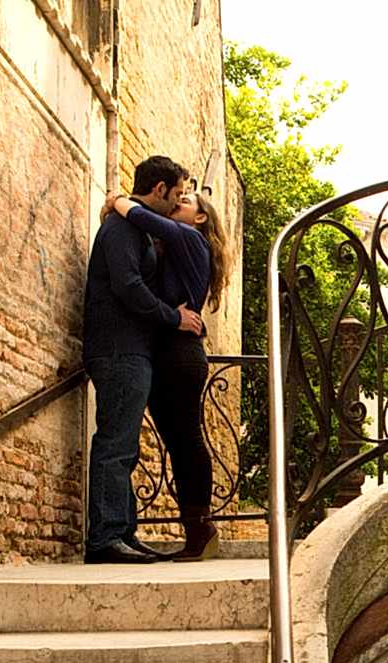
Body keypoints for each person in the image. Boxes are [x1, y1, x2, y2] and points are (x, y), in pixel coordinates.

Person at [80, 156, 203, 565]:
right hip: (118, 348)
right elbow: (128, 286)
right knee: (116, 444)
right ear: (160, 189)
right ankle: (106, 538)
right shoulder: (121, 227)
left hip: (135, 349)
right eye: (178, 193)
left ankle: (123, 533)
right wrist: (174, 317)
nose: (179, 201)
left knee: (125, 445)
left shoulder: (138, 227)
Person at [104, 186, 229, 560]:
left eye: (186, 202)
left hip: (181, 355)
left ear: (201, 217)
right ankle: (196, 530)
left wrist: (118, 202)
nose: (178, 204)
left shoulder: (191, 237)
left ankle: (200, 528)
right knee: (177, 443)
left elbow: (144, 217)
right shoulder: (174, 244)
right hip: (165, 352)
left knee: (187, 441)